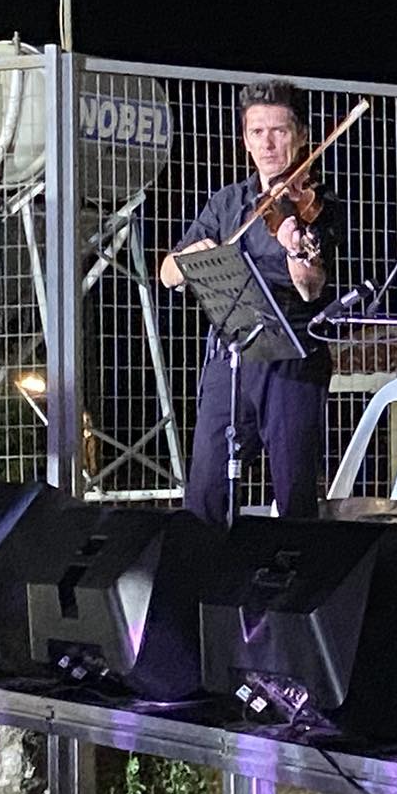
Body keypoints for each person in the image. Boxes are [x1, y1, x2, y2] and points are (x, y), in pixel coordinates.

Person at [161, 79, 343, 525]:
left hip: (292, 358)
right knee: (207, 485)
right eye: (257, 132)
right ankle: (207, 563)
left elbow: (311, 288)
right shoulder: (228, 203)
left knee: (294, 490)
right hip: (231, 354)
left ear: (301, 136)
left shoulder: (318, 204)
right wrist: (191, 258)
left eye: (280, 131)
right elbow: (167, 274)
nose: (268, 143)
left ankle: (295, 568)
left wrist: (296, 249)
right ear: (244, 139)